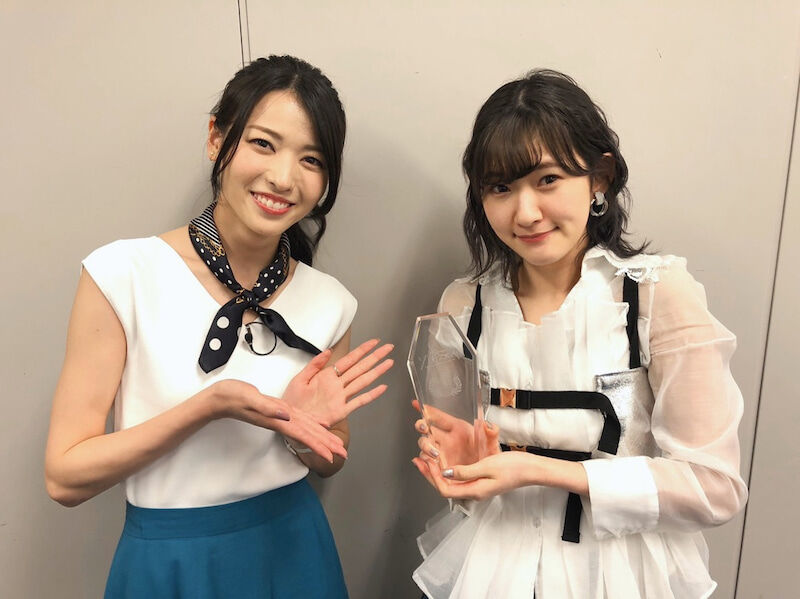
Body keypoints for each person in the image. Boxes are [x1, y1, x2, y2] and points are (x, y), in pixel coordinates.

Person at [45, 55, 393, 598]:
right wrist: (208, 407)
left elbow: (329, 461)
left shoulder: (331, 302)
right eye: (263, 144)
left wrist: (300, 434)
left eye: (311, 159)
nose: (283, 177)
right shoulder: (122, 274)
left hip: (295, 551)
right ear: (216, 138)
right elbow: (64, 477)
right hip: (170, 559)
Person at [411, 69, 747, 599]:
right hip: (494, 567)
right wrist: (459, 473)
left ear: (599, 178)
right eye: (500, 188)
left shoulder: (655, 294)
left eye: (547, 180)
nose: (526, 213)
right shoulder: (462, 304)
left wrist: (542, 471)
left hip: (619, 573)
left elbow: (714, 489)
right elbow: (467, 474)